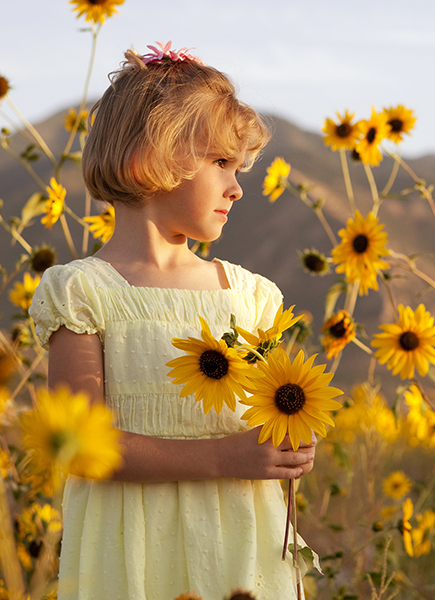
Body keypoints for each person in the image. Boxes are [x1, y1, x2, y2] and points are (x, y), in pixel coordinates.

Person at [29, 42, 314, 600]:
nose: (237, 187)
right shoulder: (82, 292)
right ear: (151, 157)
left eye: (239, 167)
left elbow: (277, 415)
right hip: (131, 552)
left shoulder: (251, 296)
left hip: (241, 549)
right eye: (220, 163)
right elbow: (84, 446)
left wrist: (289, 446)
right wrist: (225, 456)